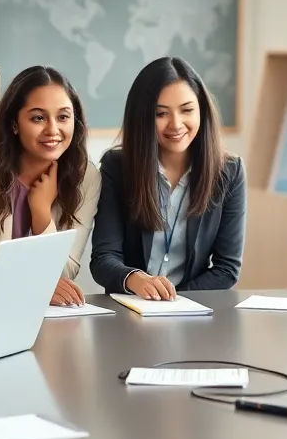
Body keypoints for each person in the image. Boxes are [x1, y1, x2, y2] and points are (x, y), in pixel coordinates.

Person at [90, 57, 246, 299]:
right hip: (130, 306)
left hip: (192, 308)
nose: (176, 124)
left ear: (201, 110)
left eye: (187, 110)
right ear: (141, 117)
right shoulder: (117, 167)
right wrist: (135, 280)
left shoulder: (230, 171)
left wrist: (174, 300)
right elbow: (103, 259)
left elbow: (226, 269)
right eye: (161, 113)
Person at [0, 66, 101, 306]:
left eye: (63, 117)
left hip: (44, 315)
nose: (53, 130)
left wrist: (41, 212)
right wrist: (32, 286)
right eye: (38, 118)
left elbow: (67, 270)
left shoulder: (86, 177)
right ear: (14, 123)